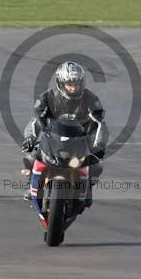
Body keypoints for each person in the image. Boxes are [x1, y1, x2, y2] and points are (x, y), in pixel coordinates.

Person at [20, 61, 107, 209]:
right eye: (69, 84)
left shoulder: (91, 99)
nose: (73, 88)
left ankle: (88, 190)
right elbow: (35, 121)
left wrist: (99, 146)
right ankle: (32, 185)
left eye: (77, 84)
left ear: (82, 83)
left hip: (81, 141)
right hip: (52, 139)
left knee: (96, 165)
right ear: (60, 83)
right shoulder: (47, 97)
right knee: (31, 156)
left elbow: (100, 125)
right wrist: (30, 138)